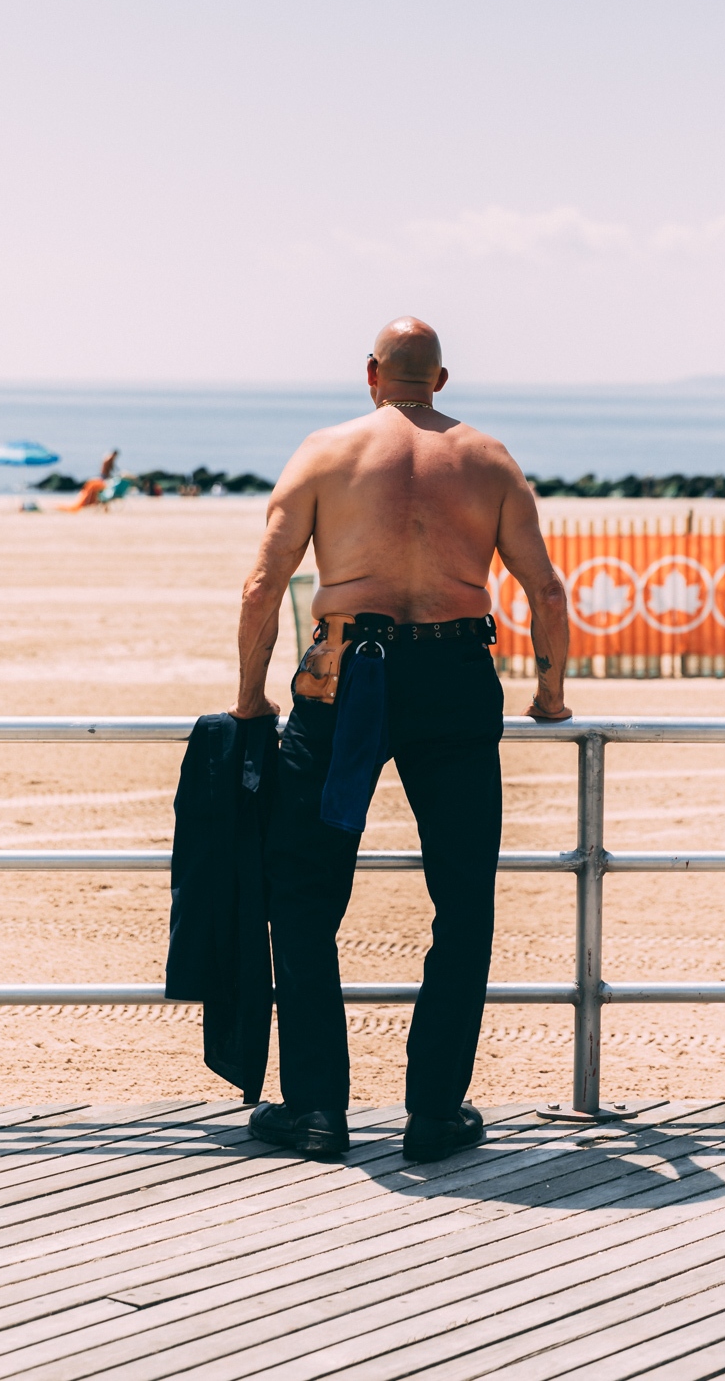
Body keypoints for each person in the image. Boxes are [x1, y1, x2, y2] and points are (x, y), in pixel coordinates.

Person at [231, 317, 570, 1162]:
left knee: (304, 896)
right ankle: (433, 1113)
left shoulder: (326, 451)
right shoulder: (488, 460)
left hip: (344, 675)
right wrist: (550, 693)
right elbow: (545, 589)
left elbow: (262, 586)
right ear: (442, 381)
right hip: (454, 674)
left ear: (373, 373)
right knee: (463, 901)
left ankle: (315, 1107)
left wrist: (249, 704)